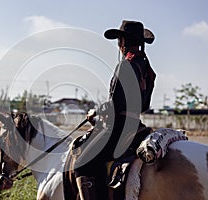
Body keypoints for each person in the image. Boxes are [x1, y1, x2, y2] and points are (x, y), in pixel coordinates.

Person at [72, 20, 156, 200]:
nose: (118, 45)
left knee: (81, 164)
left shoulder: (125, 65)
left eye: (120, 40)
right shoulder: (147, 69)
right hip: (136, 125)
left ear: (123, 42)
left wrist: (97, 112)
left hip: (119, 127)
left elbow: (115, 103)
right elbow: (144, 105)